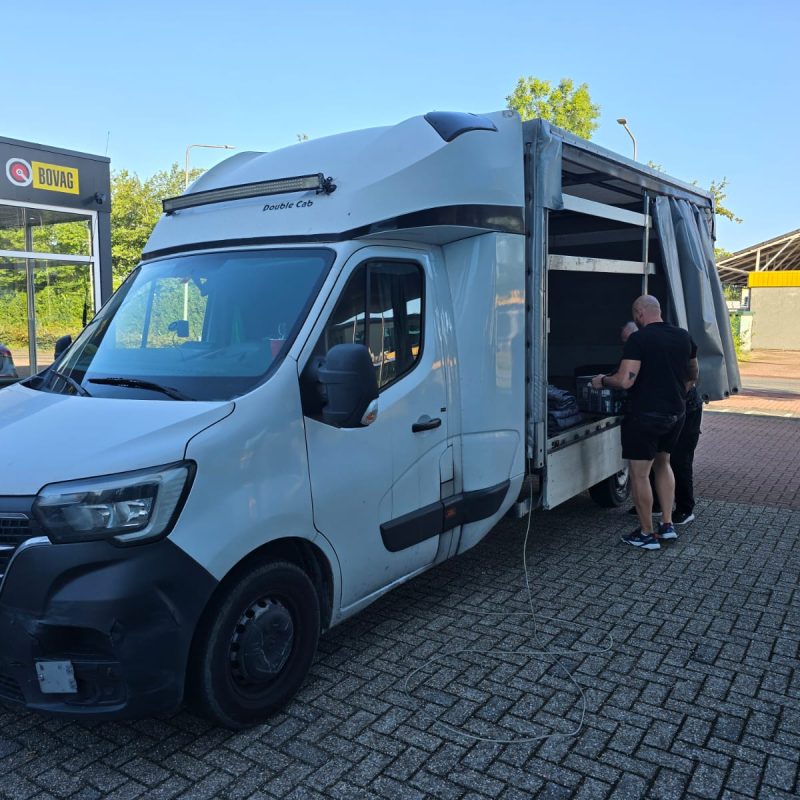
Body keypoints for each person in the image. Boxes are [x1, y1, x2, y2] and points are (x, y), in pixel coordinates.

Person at [592, 295, 698, 550]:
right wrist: (679, 393)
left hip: (645, 416)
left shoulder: (639, 339)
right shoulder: (683, 336)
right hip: (676, 414)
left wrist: (602, 381)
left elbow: (625, 380)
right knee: (663, 464)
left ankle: (646, 533)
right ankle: (667, 525)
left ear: (639, 313)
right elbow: (693, 373)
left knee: (639, 474)